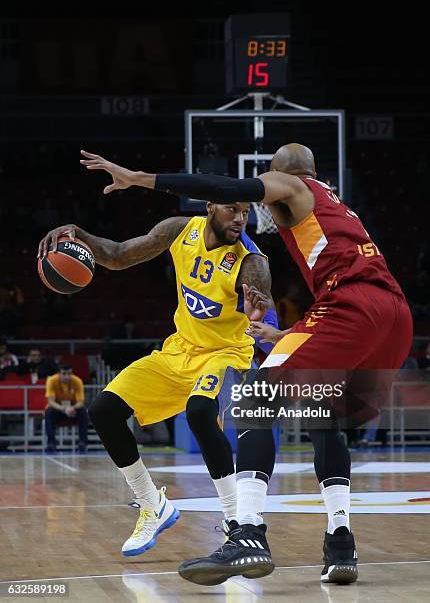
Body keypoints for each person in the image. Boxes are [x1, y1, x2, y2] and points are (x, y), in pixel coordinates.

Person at [79, 143, 413, 584]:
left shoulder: (292, 186)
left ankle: (248, 533)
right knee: (324, 420)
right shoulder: (338, 206)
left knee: (256, 402)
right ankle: (340, 545)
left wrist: (139, 177)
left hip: (349, 304)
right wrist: (286, 335)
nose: (253, 208)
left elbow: (223, 186)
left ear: (281, 174)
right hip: (393, 314)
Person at [38, 199, 277, 559]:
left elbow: (267, 309)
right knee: (104, 410)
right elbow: (118, 255)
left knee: (199, 412)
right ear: (211, 207)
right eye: (232, 209)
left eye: (245, 211)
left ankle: (234, 521)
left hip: (225, 352)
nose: (241, 219)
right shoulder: (179, 229)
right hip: (179, 349)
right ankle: (152, 504)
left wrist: (262, 314)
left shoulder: (251, 262)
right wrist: (78, 233)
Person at [45, 363, 88, 452]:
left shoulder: (77, 381)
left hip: (73, 410)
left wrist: (72, 408)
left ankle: (82, 442)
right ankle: (51, 443)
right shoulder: (51, 380)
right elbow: (51, 401)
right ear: (59, 374)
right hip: (58, 409)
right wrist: (64, 409)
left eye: (69, 373)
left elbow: (80, 402)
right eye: (64, 374)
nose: (67, 376)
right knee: (48, 412)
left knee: (83, 411)